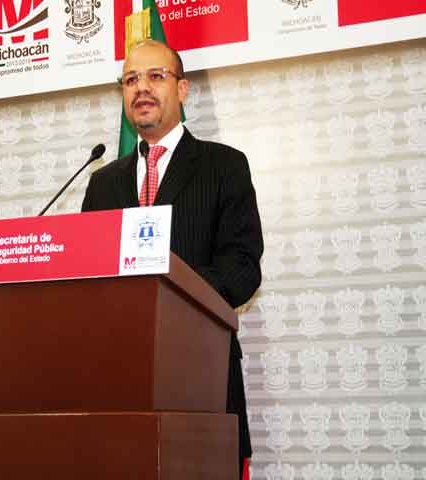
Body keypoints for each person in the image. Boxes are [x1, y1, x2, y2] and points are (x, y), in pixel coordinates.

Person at [82, 40, 263, 478]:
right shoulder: (103, 182)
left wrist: (166, 294)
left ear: (182, 89)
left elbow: (242, 269)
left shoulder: (224, 166)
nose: (141, 88)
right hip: (119, 385)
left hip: (202, 375)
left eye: (155, 76)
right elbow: (87, 279)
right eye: (130, 80)